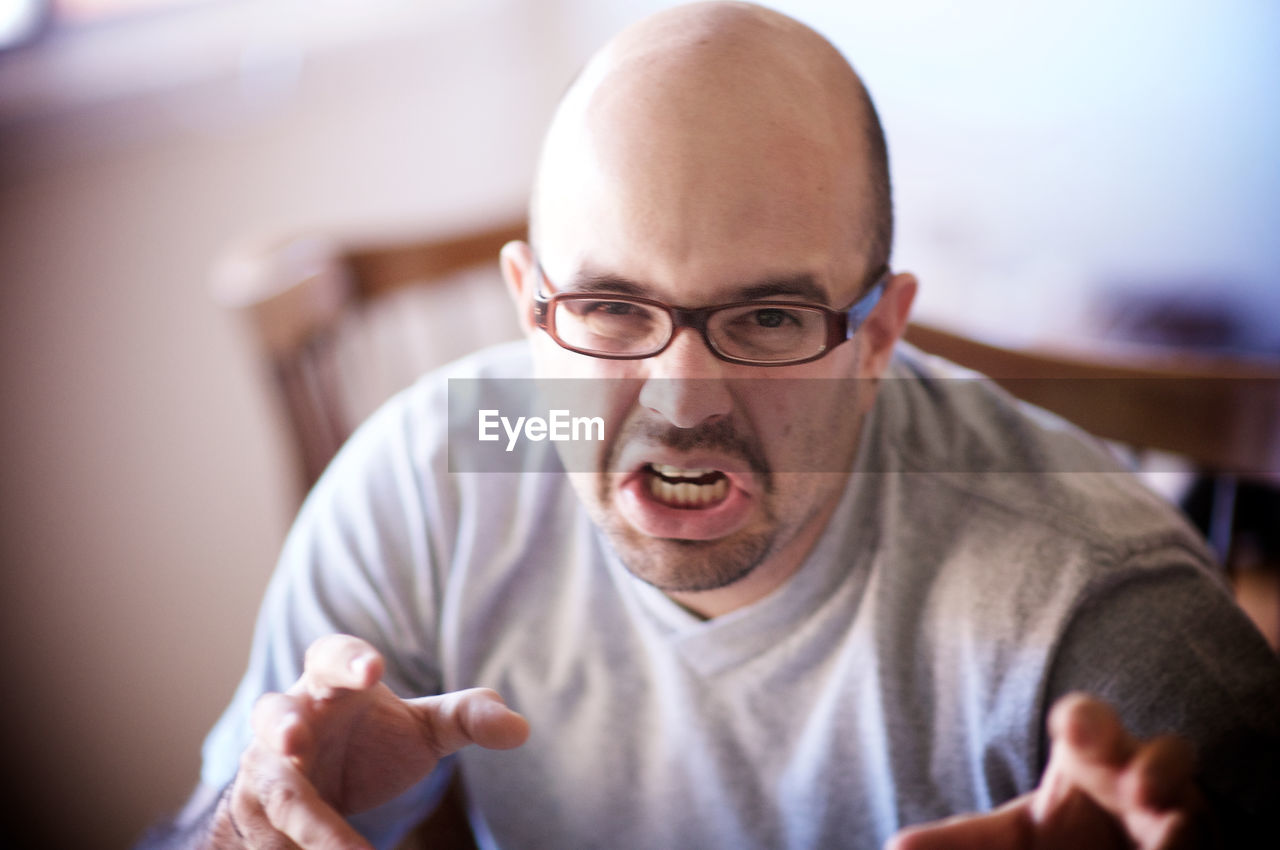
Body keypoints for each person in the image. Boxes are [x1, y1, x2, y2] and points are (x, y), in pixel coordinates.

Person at [143, 2, 1280, 848]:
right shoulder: (422, 484)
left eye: (771, 316)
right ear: (530, 312)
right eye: (607, 308)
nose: (682, 401)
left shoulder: (1095, 618)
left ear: (878, 334)